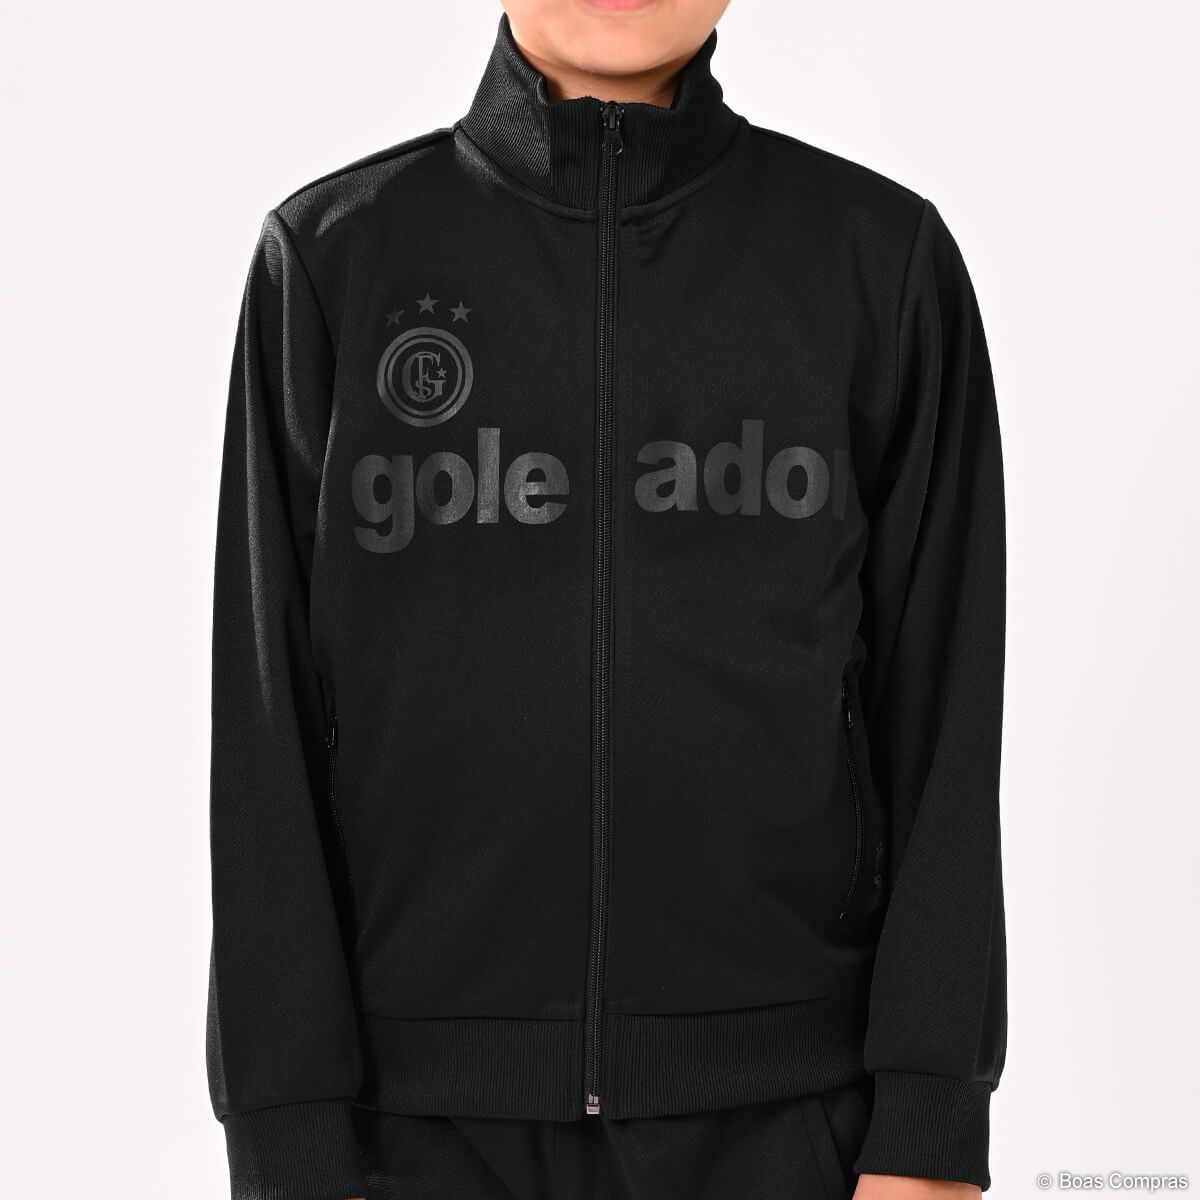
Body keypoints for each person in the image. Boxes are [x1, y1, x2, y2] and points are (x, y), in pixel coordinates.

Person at [205, 1, 1007, 1197]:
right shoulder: (334, 260)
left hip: (792, 1123)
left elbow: (945, 709)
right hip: (405, 1137)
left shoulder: (878, 262)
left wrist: (930, 1128)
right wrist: (288, 1143)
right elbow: (262, 728)